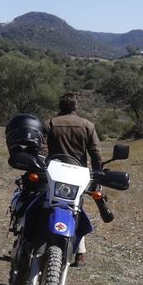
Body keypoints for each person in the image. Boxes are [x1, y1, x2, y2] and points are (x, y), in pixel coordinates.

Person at [41, 94, 104, 266]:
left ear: (60, 106)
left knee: (45, 204)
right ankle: (80, 253)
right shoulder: (87, 125)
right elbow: (96, 153)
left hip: (53, 173)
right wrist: (97, 175)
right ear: (75, 107)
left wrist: (43, 165)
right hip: (78, 176)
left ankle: (37, 242)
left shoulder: (50, 123)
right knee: (76, 209)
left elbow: (42, 149)